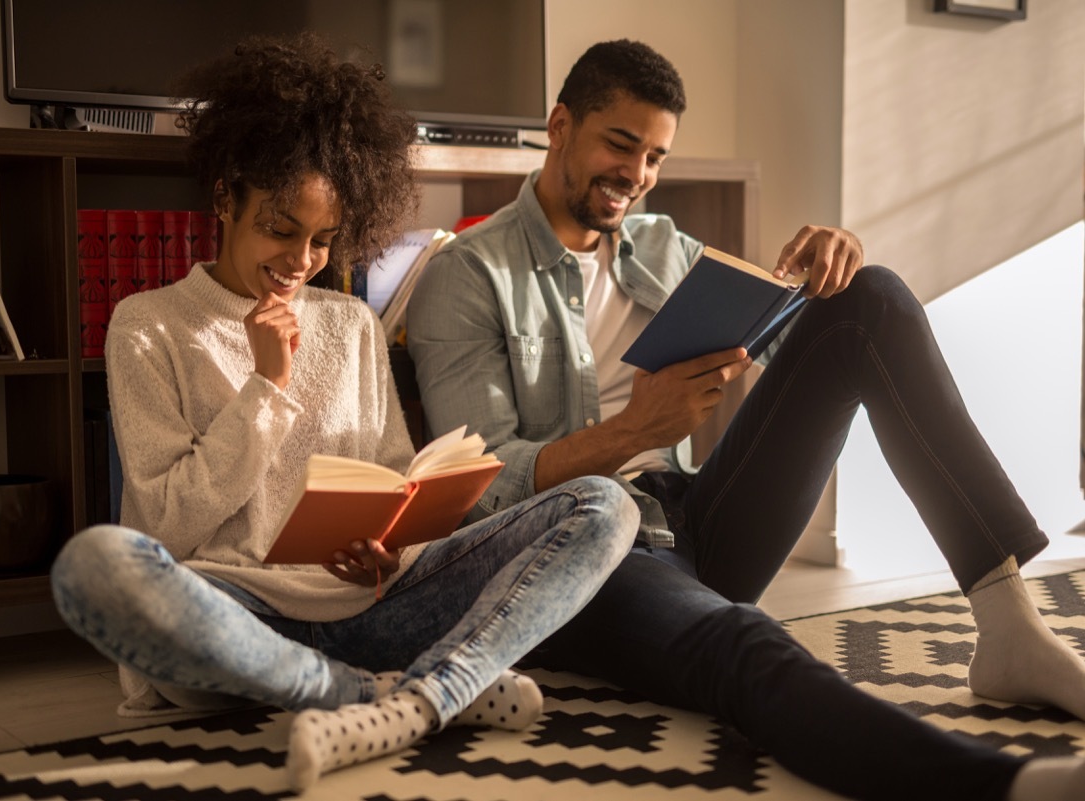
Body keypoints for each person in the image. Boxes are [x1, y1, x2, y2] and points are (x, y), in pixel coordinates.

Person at [406, 38, 1085, 801]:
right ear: (560, 126)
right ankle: (1005, 787)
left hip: (691, 518)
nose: (637, 174)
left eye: (655, 156)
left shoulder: (661, 245)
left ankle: (1009, 623)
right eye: (620, 144)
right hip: (574, 553)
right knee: (743, 640)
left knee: (873, 299)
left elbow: (812, 352)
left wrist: (829, 276)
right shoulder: (467, 274)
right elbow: (483, 490)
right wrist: (635, 432)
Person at [49, 33, 638, 794]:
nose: (300, 262)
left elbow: (392, 482)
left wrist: (391, 548)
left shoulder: (353, 324)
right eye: (280, 229)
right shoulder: (148, 325)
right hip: (234, 617)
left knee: (604, 505)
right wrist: (266, 387)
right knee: (94, 564)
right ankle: (374, 692)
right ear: (225, 199)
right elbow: (164, 524)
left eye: (323, 241)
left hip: (375, 610)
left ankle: (421, 696)